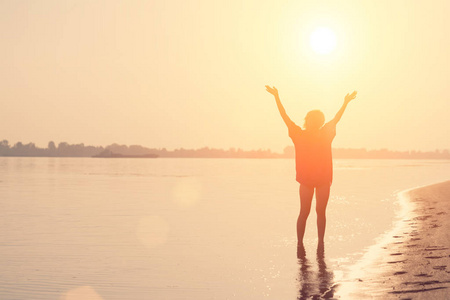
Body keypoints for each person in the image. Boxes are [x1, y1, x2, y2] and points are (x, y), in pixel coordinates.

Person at [265, 85, 357, 249]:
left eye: (319, 120)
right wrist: (276, 97)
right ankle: (301, 244)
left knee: (318, 212)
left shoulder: (324, 133)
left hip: (322, 179)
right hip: (307, 180)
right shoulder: (300, 134)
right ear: (309, 121)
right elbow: (284, 117)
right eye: (315, 120)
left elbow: (336, 118)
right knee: (305, 212)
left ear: (320, 121)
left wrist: (346, 103)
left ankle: (319, 243)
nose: (317, 122)